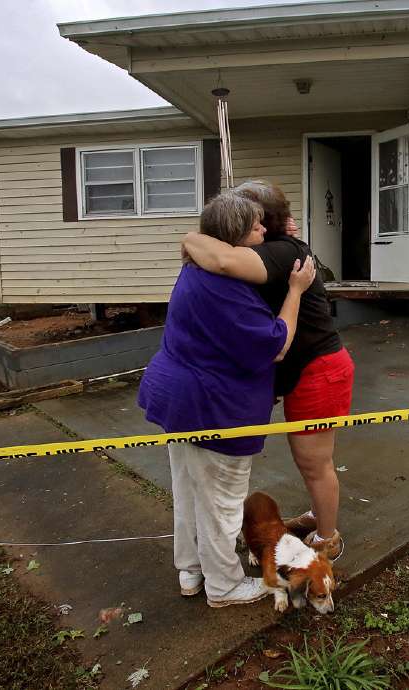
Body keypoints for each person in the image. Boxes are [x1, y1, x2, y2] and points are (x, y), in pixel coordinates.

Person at [139, 192, 316, 608]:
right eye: (256, 226)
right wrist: (295, 290)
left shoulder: (198, 268)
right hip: (212, 406)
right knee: (221, 502)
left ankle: (191, 571)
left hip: (178, 399)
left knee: (189, 492)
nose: (264, 231)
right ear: (235, 234)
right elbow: (274, 344)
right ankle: (224, 586)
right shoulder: (225, 289)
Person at [181, 180, 353, 561]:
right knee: (309, 460)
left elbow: (221, 259)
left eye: (253, 217)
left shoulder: (278, 252)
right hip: (301, 368)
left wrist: (192, 235)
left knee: (314, 462)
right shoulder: (266, 247)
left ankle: (328, 537)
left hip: (317, 369)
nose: (248, 224)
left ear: (266, 220)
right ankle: (317, 515)